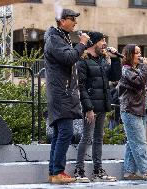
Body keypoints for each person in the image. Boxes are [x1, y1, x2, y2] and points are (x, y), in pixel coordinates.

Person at [44, 9, 90, 184]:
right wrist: (82, 44)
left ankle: (54, 172)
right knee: (66, 131)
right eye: (72, 19)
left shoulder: (61, 37)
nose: (75, 23)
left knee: (59, 133)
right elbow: (69, 57)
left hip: (62, 91)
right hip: (60, 92)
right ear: (62, 21)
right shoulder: (54, 38)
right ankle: (58, 171)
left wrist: (79, 49)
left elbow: (69, 57)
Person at [74, 31, 121, 182]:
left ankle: (97, 170)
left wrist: (115, 60)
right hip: (91, 107)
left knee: (98, 138)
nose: (105, 43)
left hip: (102, 104)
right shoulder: (83, 61)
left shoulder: (102, 60)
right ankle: (79, 170)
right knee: (86, 137)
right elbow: (80, 86)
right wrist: (88, 108)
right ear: (94, 42)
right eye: (102, 40)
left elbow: (115, 77)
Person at [118, 44, 147, 180]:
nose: (140, 55)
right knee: (139, 142)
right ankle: (145, 171)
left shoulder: (135, 70)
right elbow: (140, 82)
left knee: (132, 142)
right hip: (130, 110)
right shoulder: (127, 70)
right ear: (129, 55)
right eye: (136, 53)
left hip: (139, 110)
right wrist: (145, 66)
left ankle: (129, 171)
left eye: (140, 52)